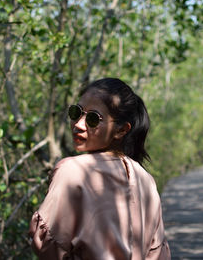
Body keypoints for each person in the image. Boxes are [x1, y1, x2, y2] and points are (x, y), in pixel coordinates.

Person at [29, 78, 170, 260]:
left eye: (93, 118)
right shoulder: (147, 180)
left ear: (121, 130)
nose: (79, 124)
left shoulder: (72, 171)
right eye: (76, 112)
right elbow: (158, 253)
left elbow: (47, 246)